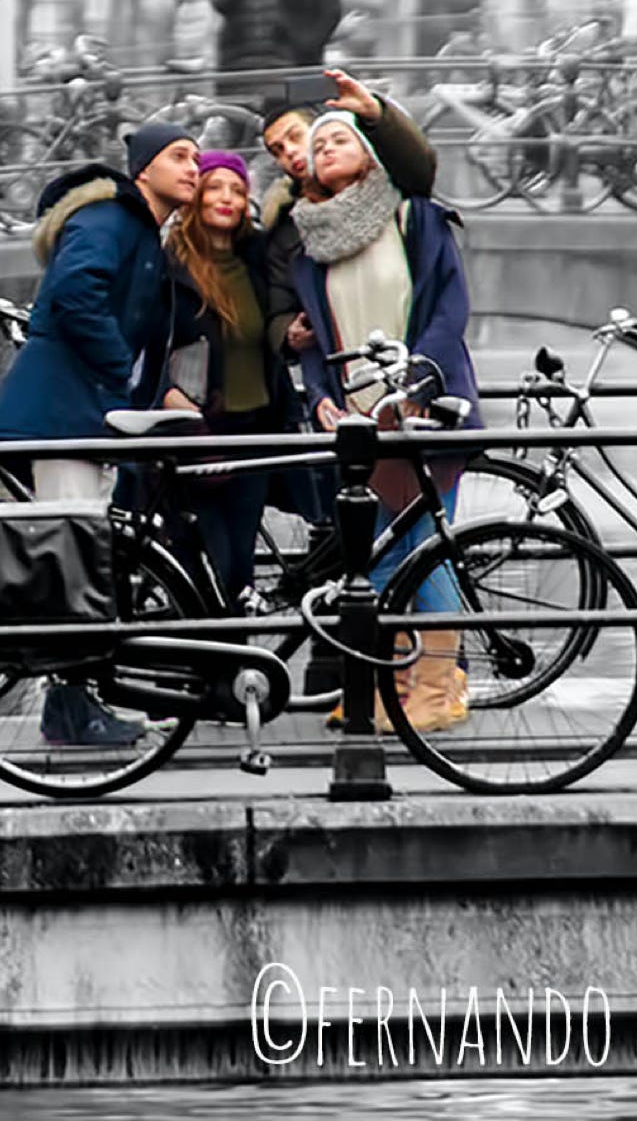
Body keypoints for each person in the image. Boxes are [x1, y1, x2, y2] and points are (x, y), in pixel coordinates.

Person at [0, 120, 202, 748]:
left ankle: (72, 703)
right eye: (179, 157)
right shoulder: (109, 218)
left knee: (79, 553)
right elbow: (74, 292)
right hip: (63, 414)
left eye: (196, 158)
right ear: (144, 170)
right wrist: (115, 373)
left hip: (80, 415)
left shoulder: (141, 231)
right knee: (72, 557)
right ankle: (69, 710)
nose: (193, 168)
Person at [285, 109, 480, 733]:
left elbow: (450, 308)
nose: (328, 149)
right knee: (374, 555)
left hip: (417, 406)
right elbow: (315, 336)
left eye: (341, 138)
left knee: (424, 543)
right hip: (357, 417)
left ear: (370, 152)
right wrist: (318, 394)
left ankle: (438, 685)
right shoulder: (311, 243)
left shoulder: (412, 216)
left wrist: (420, 380)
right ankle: (390, 682)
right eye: (319, 146)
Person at [256, 69, 438, 524]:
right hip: (346, 398)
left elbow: (419, 169)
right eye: (277, 150)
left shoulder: (396, 201)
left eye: (296, 137)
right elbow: (279, 304)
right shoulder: (290, 224)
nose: (291, 155)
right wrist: (287, 333)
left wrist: (374, 113)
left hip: (404, 389)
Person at [157, 151, 292, 600]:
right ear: (194, 196)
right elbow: (146, 342)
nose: (227, 198)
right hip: (199, 433)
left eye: (237, 190)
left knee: (241, 574)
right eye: (215, 187)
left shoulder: (255, 259)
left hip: (254, 435)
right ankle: (199, 666)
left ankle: (238, 668)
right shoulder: (171, 265)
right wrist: (166, 395)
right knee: (207, 567)